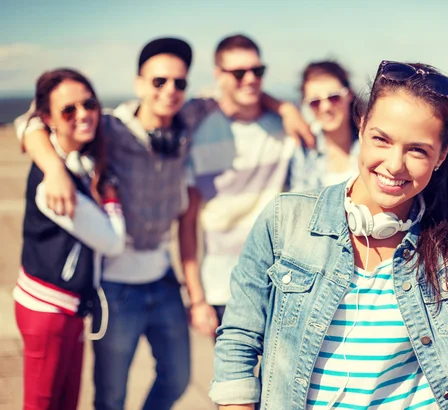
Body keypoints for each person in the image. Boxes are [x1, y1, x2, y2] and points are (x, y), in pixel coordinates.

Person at [208, 60, 448, 410]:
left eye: (417, 150)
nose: (394, 165)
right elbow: (239, 339)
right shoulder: (285, 218)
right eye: (381, 139)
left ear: (441, 156)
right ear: (361, 127)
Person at [15, 37, 311, 410]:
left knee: (177, 377)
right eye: (159, 81)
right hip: (115, 286)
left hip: (164, 279)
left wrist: (284, 107)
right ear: (139, 83)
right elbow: (29, 121)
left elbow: (239, 94)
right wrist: (53, 167)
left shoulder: (189, 118)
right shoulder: (110, 128)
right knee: (110, 396)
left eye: (179, 82)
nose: (170, 90)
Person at [179, 34, 312, 336]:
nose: (250, 79)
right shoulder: (197, 131)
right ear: (218, 75)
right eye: (238, 73)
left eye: (257, 70)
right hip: (222, 289)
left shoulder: (285, 125)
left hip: (282, 283)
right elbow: (187, 223)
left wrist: (286, 109)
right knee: (236, 384)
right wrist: (197, 299)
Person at [14, 68, 125, 410]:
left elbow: (27, 123)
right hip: (49, 309)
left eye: (89, 104)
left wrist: (57, 165)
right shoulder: (54, 185)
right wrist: (110, 195)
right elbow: (113, 242)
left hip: (69, 307)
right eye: (68, 110)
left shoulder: (77, 161)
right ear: (49, 119)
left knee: (65, 403)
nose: (83, 115)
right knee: (43, 403)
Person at [290, 60, 361, 191]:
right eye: (315, 102)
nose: (325, 107)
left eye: (334, 97)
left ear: (349, 94)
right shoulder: (303, 151)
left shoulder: (370, 143)